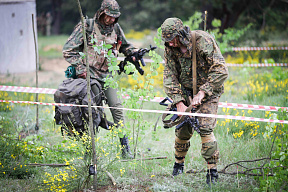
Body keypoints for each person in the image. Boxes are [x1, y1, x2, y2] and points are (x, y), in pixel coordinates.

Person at [63, 0, 139, 158]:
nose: (111, 20)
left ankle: (125, 149)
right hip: (89, 76)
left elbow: (125, 46)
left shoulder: (115, 28)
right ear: (102, 12)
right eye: (109, 16)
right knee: (92, 112)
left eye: (114, 17)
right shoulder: (87, 26)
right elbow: (68, 50)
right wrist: (81, 68)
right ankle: (90, 151)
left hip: (108, 76)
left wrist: (134, 53)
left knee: (117, 108)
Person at [161, 17, 228, 185]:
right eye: (167, 41)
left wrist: (203, 93)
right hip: (185, 92)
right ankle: (178, 166)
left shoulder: (202, 40)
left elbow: (221, 70)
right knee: (183, 130)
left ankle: (212, 172)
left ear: (181, 34)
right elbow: (169, 76)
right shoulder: (170, 48)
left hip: (209, 90)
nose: (170, 44)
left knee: (205, 127)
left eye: (173, 39)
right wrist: (179, 102)